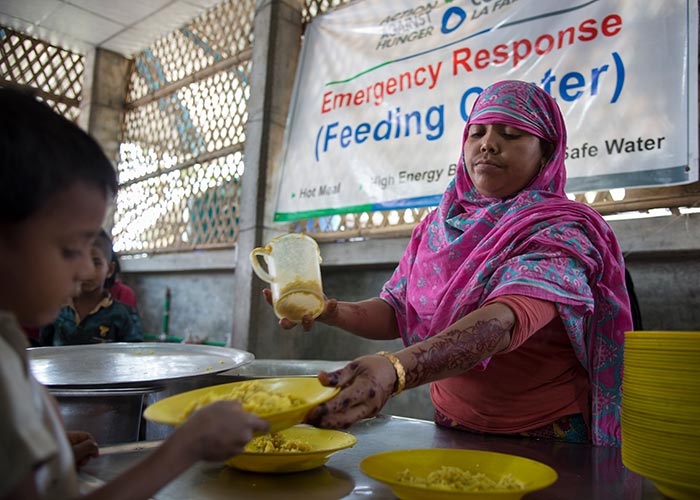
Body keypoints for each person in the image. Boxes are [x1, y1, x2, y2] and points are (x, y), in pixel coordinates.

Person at [266, 80, 633, 447]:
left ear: (546, 152)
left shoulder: (560, 230)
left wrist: (396, 370)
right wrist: (328, 310)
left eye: (511, 134)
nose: (488, 144)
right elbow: (397, 310)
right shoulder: (438, 226)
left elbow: (502, 324)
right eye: (477, 133)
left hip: (543, 433)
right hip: (450, 426)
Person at [0, 87, 269, 499]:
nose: (83, 269)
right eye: (70, 249)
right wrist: (183, 448)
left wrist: (48, 457)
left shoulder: (9, 341)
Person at [40, 229, 143, 345]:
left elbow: (133, 354)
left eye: (96, 263)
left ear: (109, 270)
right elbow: (43, 352)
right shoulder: (55, 310)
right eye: (78, 261)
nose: (86, 271)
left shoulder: (124, 315)